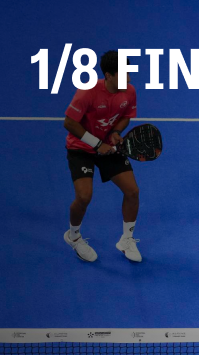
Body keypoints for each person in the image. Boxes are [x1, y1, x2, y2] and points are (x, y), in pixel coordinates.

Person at [63, 50, 142, 262]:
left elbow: (126, 116)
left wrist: (116, 132)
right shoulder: (87, 92)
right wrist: (97, 144)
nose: (129, 78)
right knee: (84, 197)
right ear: (108, 75)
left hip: (108, 145)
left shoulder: (129, 91)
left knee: (132, 192)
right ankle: (73, 236)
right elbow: (69, 123)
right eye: (124, 74)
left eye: (129, 73)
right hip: (81, 148)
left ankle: (126, 239)